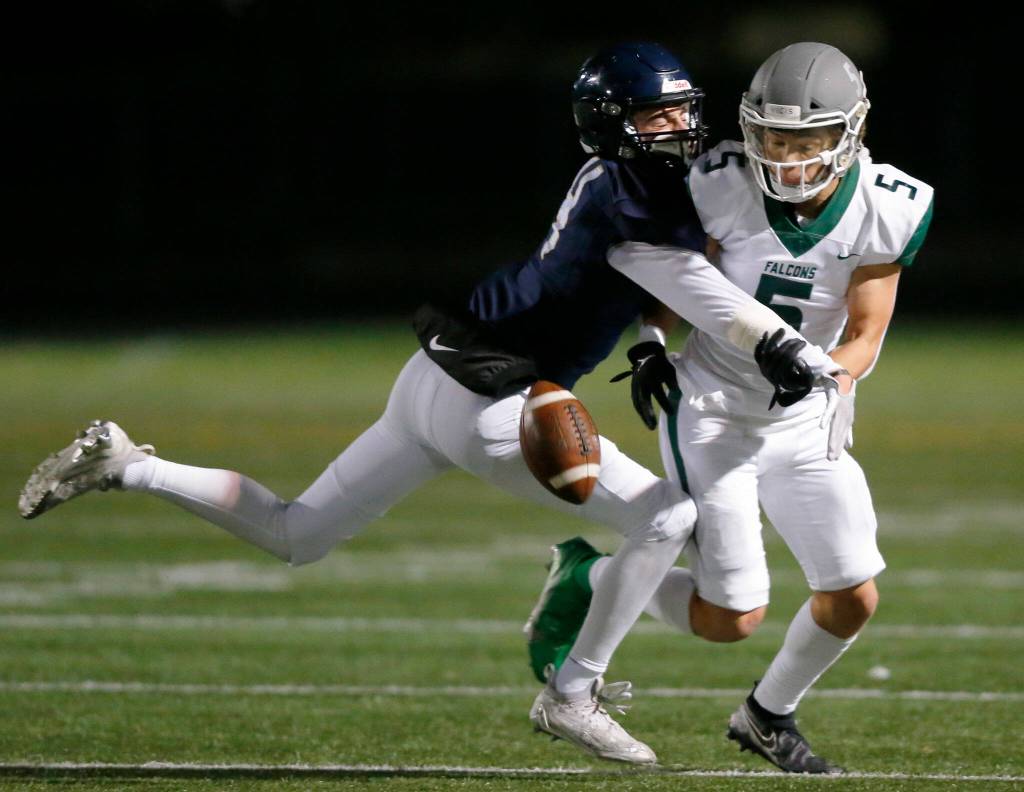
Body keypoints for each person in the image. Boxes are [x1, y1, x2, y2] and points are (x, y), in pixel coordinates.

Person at [17, 43, 831, 766]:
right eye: (659, 114)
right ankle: (572, 692)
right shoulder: (635, 198)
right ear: (615, 124)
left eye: (683, 108)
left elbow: (644, 287)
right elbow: (689, 283)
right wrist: (783, 344)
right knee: (666, 519)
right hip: (499, 395)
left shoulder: (618, 177)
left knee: (299, 533)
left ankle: (131, 465)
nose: (680, 125)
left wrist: (648, 344)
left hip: (436, 372)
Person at [530, 42, 933, 773]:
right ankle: (585, 576)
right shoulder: (718, 181)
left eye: (807, 138)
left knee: (853, 597)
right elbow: (678, 275)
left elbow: (867, 335)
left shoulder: (890, 206)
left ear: (851, 132)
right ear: (749, 128)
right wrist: (651, 339)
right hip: (714, 408)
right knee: (731, 619)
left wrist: (824, 379)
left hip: (807, 419)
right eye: (774, 136)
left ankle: (766, 714)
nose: (786, 154)